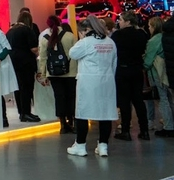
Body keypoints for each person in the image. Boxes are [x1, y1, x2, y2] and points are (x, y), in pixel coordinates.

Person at [67, 15, 117, 157]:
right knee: (105, 114)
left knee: (83, 113)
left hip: (88, 82)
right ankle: (103, 146)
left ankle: (80, 145)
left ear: (85, 30)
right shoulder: (110, 42)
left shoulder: (85, 42)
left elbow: (72, 53)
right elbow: (114, 63)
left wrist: (83, 38)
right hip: (107, 81)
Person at [111, 11, 150, 141]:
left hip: (122, 70)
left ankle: (125, 130)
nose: (119, 22)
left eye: (121, 20)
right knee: (138, 100)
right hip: (137, 70)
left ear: (128, 22)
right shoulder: (141, 34)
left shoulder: (117, 35)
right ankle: (144, 130)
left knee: (124, 102)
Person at [38, 16, 77, 134]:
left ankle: (63, 125)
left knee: (59, 98)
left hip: (53, 73)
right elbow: (76, 54)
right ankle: (73, 122)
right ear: (60, 22)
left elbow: (43, 58)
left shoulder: (44, 38)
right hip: (71, 72)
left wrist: (43, 74)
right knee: (71, 97)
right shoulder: (70, 36)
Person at [7, 11, 40, 122]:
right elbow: (33, 48)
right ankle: (27, 112)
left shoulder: (10, 31)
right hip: (26, 63)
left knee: (18, 88)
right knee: (27, 87)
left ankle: (21, 112)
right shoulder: (27, 30)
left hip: (13, 62)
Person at [143, 17, 174, 137]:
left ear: (154, 27)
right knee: (169, 98)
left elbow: (148, 60)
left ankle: (169, 126)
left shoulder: (154, 40)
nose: (149, 28)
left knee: (162, 99)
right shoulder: (165, 36)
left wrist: (143, 65)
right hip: (166, 72)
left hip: (157, 72)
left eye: (149, 26)